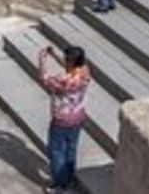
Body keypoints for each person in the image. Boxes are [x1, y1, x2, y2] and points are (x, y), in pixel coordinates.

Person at [38, 45, 91, 192]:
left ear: (70, 62)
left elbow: (44, 78)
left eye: (66, 58)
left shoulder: (63, 80)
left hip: (61, 120)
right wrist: (55, 55)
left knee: (56, 151)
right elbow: (70, 68)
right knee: (71, 148)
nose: (64, 60)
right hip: (78, 117)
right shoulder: (85, 71)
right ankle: (70, 178)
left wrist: (42, 59)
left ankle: (61, 184)